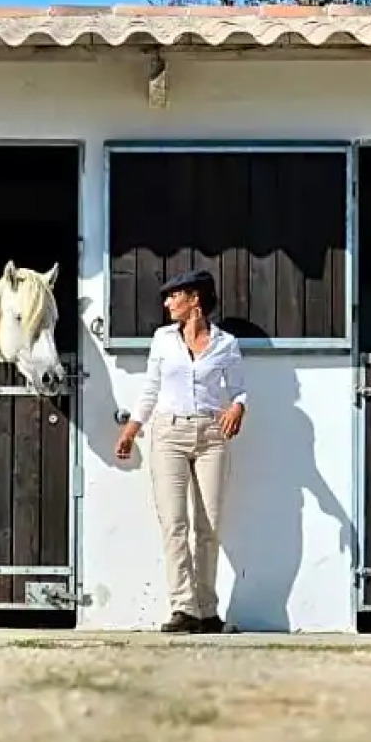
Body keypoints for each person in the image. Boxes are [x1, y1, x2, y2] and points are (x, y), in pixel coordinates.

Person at [115, 268, 247, 634]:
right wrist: (132, 430)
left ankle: (206, 610)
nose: (167, 302)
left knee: (209, 527)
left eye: (174, 295)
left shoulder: (226, 343)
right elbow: (150, 388)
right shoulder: (162, 339)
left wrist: (238, 407)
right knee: (174, 524)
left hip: (211, 435)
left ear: (195, 299)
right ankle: (183, 607)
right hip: (168, 434)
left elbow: (238, 390)